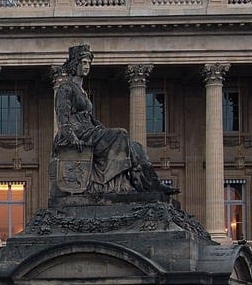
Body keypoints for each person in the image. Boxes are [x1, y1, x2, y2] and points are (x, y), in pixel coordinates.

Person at [53, 45, 176, 196]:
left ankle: (152, 184)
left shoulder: (82, 91)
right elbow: (63, 119)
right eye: (83, 63)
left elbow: (91, 119)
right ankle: (135, 184)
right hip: (79, 134)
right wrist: (73, 139)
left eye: (88, 63)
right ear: (74, 64)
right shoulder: (66, 88)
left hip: (90, 131)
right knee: (121, 134)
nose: (87, 67)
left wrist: (102, 130)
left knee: (135, 146)